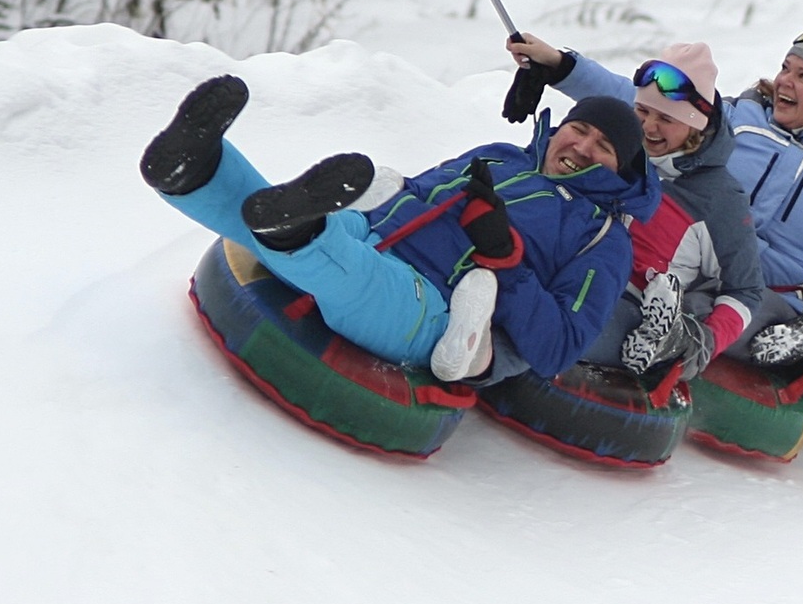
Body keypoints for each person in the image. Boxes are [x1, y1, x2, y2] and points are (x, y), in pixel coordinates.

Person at [139, 74, 660, 385]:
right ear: (562, 126)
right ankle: (199, 171)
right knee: (321, 227)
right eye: (580, 129)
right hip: (371, 233)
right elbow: (420, 192)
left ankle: (296, 231)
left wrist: (505, 262)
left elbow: (559, 347)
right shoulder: (499, 156)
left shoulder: (604, 242)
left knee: (354, 273)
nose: (583, 148)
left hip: (435, 308)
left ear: (622, 169)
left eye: (605, 148)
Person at [505, 24, 803, 398]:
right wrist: (561, 68)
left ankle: (794, 341)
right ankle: (645, 325)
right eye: (786, 68)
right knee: (640, 279)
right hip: (692, 264)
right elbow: (646, 104)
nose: (785, 81)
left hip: (771, 297)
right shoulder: (741, 118)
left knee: (703, 311)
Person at [502, 37, 766, 383]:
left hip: (626, 306)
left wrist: (706, 340)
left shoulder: (719, 199)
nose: (648, 127)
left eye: (667, 119)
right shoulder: (617, 146)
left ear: (695, 125)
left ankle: (664, 335)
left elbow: (745, 290)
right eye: (642, 112)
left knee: (530, 325)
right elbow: (607, 89)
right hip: (560, 265)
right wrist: (556, 63)